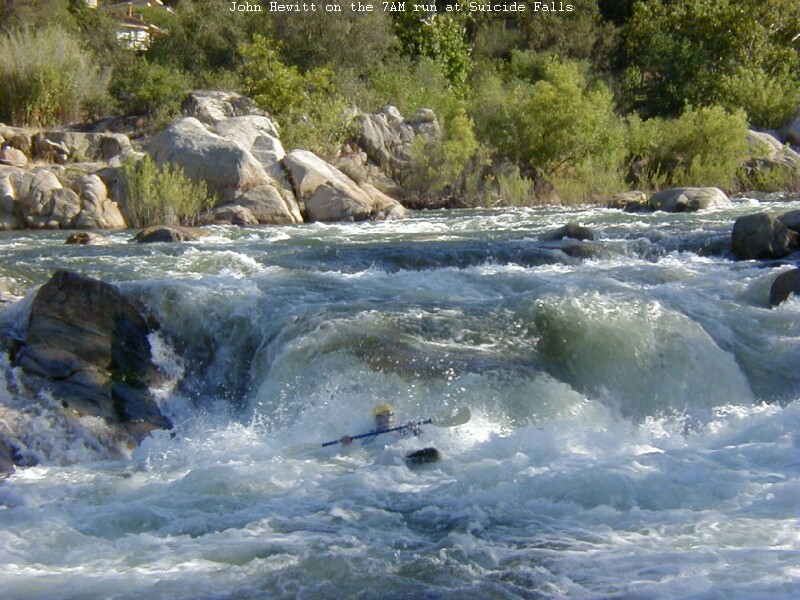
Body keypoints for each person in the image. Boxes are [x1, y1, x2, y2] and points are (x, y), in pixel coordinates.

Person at [340, 403, 420, 446]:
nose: (386, 419)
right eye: (381, 416)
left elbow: (420, 436)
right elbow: (359, 446)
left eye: (388, 415)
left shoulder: (402, 430)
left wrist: (414, 428)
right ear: (376, 419)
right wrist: (348, 443)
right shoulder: (371, 435)